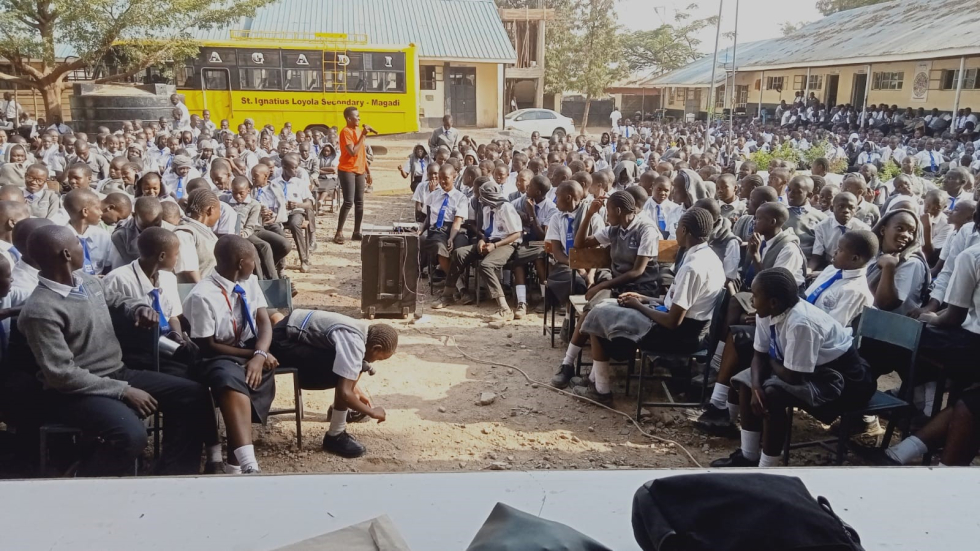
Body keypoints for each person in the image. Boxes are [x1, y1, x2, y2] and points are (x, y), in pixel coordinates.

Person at [19, 224, 212, 476]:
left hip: (117, 372)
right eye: (78, 244)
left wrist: (138, 308)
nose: (82, 248)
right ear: (66, 255)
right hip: (73, 394)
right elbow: (61, 375)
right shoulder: (40, 310)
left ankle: (173, 473)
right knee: (130, 436)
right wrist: (123, 391)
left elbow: (118, 299)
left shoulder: (86, 281)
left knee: (192, 395)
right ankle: (83, 481)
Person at [709, 268, 875, 468]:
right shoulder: (766, 313)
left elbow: (792, 377)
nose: (751, 301)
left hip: (845, 380)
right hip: (802, 368)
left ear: (773, 302)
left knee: (772, 395)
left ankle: (766, 469)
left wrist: (769, 362)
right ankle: (748, 456)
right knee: (746, 382)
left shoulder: (801, 323)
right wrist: (754, 387)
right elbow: (758, 355)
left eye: (755, 296)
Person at [559, 208, 724, 404]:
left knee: (598, 314)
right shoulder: (709, 257)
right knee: (604, 307)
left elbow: (672, 321)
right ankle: (595, 380)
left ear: (685, 230)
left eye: (677, 227)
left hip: (679, 337)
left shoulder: (692, 267)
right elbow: (679, 304)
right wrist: (644, 298)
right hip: (689, 329)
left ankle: (601, 391)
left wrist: (638, 306)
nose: (676, 230)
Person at [182, 235, 277, 474]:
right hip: (214, 356)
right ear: (240, 262)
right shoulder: (202, 295)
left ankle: (234, 468)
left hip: (248, 350)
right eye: (253, 260)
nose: (255, 265)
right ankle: (249, 465)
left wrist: (259, 355)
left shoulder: (250, 282)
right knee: (230, 379)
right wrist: (255, 354)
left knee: (250, 376)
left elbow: (264, 322)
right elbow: (208, 345)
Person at [270, 310, 398, 457]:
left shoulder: (360, 331)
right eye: (380, 358)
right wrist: (371, 411)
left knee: (354, 366)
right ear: (376, 348)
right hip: (281, 343)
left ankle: (339, 417)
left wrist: (355, 388)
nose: (375, 362)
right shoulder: (355, 343)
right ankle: (335, 435)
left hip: (287, 332)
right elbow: (344, 392)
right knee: (357, 367)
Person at [432, 181, 523, 322]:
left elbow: (516, 234)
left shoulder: (506, 208)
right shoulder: (487, 208)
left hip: (506, 244)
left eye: (483, 197)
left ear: (490, 197)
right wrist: (481, 240)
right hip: (489, 241)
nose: (480, 200)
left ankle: (504, 309)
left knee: (486, 265)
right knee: (459, 253)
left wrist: (496, 245)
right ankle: (447, 295)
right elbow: (485, 231)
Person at [577, 190, 661, 303]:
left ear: (618, 211)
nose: (606, 216)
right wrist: (589, 214)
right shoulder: (614, 229)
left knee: (602, 306)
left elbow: (637, 271)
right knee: (592, 307)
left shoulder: (646, 230)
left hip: (642, 289)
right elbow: (580, 243)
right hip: (618, 287)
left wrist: (601, 286)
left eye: (608, 211)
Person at [867, 208, 928, 315]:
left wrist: (888, 267)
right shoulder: (872, 254)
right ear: (882, 230)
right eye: (900, 228)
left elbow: (886, 304)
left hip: (887, 326)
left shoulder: (912, 263)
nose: (906, 235)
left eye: (911, 232)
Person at [422, 163, 468, 280]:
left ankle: (451, 278)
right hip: (438, 229)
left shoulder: (461, 197)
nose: (442, 182)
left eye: (446, 178)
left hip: (455, 229)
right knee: (440, 247)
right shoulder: (433, 196)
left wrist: (451, 238)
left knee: (459, 249)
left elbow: (457, 222)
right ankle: (457, 285)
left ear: (454, 177)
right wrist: (420, 229)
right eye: (440, 178)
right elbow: (428, 217)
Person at [335, 107, 374, 243]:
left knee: (360, 202)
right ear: (348, 119)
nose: (359, 118)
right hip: (347, 170)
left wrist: (368, 171)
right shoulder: (345, 132)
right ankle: (339, 232)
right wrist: (363, 135)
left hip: (360, 170)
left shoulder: (358, 130)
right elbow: (353, 152)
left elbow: (362, 153)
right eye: (356, 116)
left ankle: (356, 231)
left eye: (359, 116)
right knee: (348, 201)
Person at [808, 191, 870, 271]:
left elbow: (864, 259)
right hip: (828, 266)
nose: (846, 210)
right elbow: (817, 255)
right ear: (831, 208)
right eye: (841, 206)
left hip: (853, 268)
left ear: (856, 210)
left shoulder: (863, 229)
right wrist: (809, 270)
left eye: (851, 207)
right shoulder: (822, 226)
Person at [173, 189, 220, 283]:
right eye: (219, 210)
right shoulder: (185, 234)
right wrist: (201, 291)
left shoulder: (206, 231)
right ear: (210, 210)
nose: (220, 214)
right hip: (196, 293)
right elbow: (188, 270)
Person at [64, 189, 112, 276]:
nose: (101, 212)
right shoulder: (61, 239)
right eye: (97, 208)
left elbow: (107, 266)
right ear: (85, 212)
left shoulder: (103, 236)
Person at [109, 196, 162, 269]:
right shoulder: (121, 236)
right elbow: (123, 268)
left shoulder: (171, 230)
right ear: (134, 215)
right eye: (145, 226)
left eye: (156, 224)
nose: (151, 229)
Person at [782, 175, 826, 257]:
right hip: (784, 258)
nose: (790, 194)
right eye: (789, 190)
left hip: (809, 261)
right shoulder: (780, 213)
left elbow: (822, 247)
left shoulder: (822, 218)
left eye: (797, 192)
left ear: (809, 195)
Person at [316, 142, 340, 214]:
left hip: (331, 178)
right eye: (324, 151)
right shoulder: (318, 158)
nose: (326, 152)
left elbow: (334, 169)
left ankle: (320, 201)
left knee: (327, 187)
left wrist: (322, 169)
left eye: (328, 151)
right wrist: (328, 171)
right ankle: (318, 206)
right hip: (320, 177)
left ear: (331, 151)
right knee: (316, 188)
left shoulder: (335, 158)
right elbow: (317, 170)